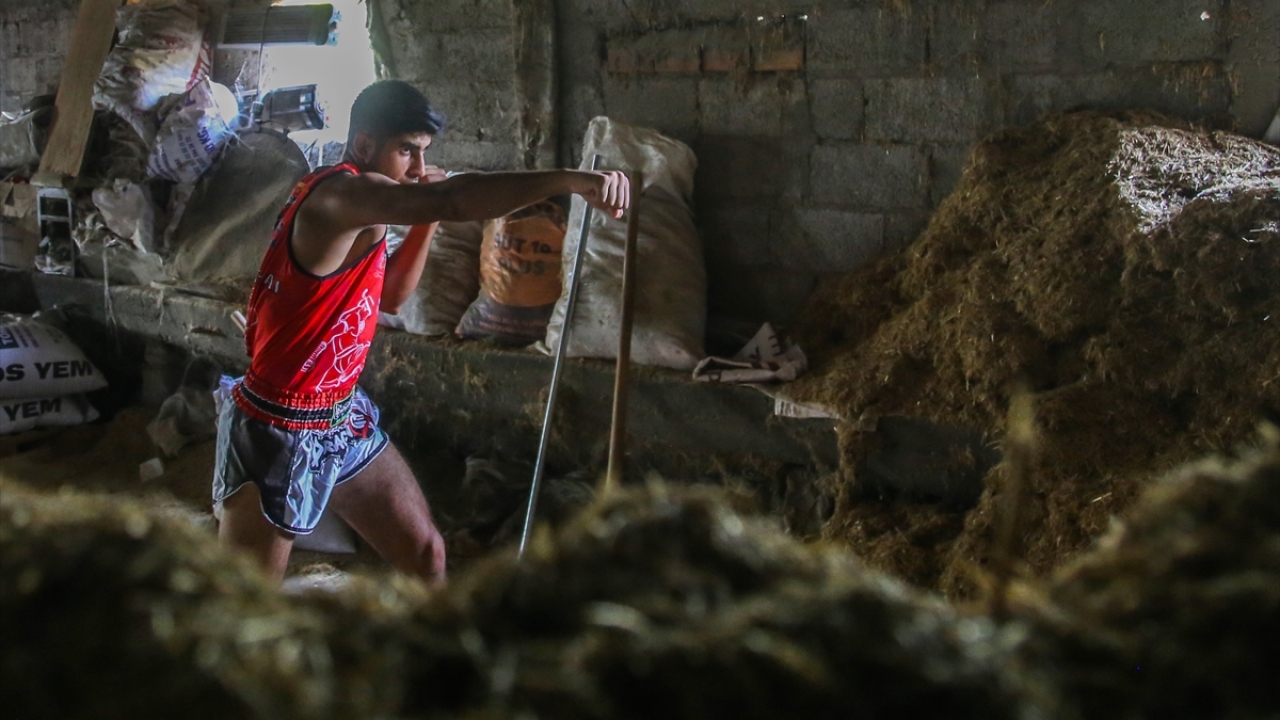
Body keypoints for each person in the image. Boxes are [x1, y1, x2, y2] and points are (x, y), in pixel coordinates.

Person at [213, 79, 629, 586]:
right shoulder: (342, 194)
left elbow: (390, 296)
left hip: (340, 416)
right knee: (242, 600)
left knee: (427, 554)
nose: (415, 167)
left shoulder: (370, 206)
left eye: (423, 153)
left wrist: (425, 216)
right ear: (364, 144)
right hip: (278, 425)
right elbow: (455, 198)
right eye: (406, 150)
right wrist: (569, 180)